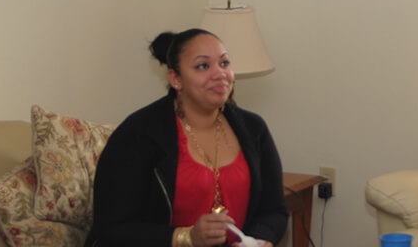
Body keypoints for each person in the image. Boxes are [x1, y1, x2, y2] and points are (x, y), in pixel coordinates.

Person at [86, 29, 287, 246]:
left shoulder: (254, 129)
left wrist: (258, 240)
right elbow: (111, 229)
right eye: (202, 66)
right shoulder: (138, 135)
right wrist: (186, 237)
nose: (219, 74)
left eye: (224, 63)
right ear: (175, 79)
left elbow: (273, 210)